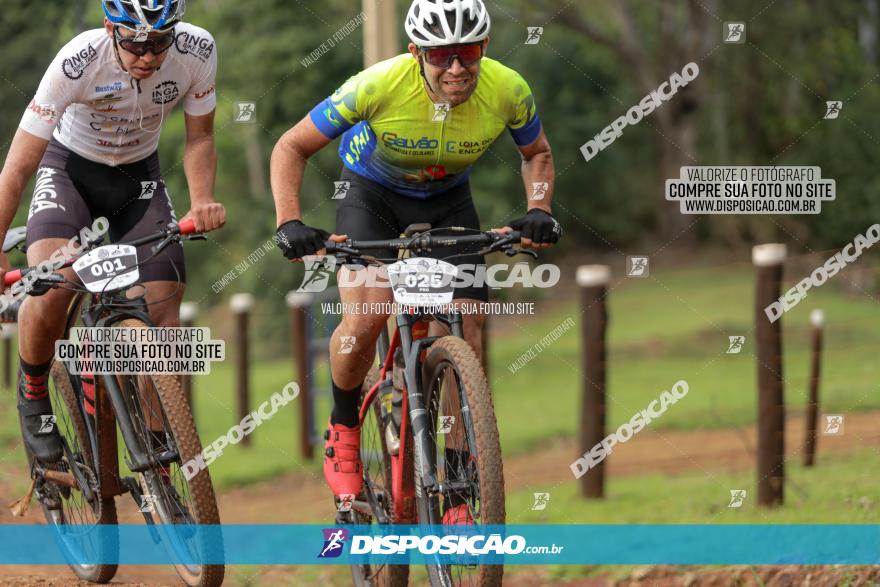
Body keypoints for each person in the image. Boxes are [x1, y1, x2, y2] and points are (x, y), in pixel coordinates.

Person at [270, 0, 560, 523]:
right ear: (416, 53)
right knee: (370, 312)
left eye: (467, 52)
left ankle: (454, 471)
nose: (456, 68)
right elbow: (290, 147)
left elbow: (536, 153)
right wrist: (290, 222)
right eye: (441, 55)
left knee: (467, 325)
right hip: (371, 196)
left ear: (484, 48)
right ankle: (343, 430)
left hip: (449, 199)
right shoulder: (376, 85)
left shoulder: (508, 89)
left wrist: (539, 208)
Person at [0, 0, 225, 465]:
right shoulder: (77, 60)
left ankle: (160, 443)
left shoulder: (198, 50)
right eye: (134, 43)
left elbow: (200, 137)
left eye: (159, 43)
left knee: (164, 304)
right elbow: (19, 166)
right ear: (110, 28)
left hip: (137, 181)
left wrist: (201, 200)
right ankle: (34, 392)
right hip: (68, 173)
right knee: (54, 283)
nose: (146, 56)